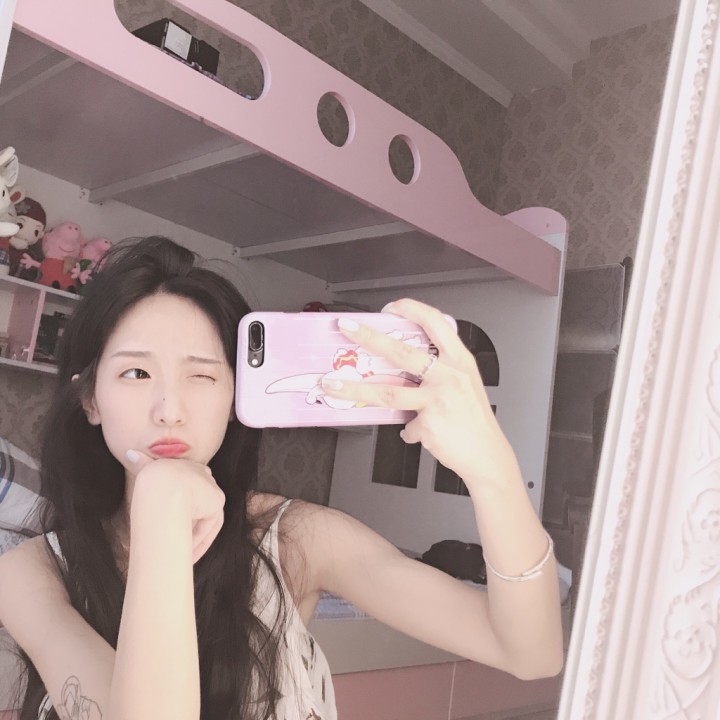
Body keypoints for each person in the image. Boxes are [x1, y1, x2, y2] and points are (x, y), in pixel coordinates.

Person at [0, 236, 563, 720]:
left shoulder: (294, 538)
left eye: (202, 376)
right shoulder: (31, 573)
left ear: (235, 399)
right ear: (89, 399)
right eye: (136, 372)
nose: (169, 409)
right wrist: (163, 520)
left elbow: (531, 653)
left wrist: (492, 466)